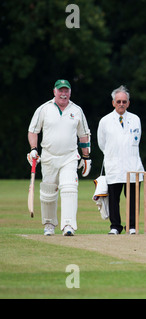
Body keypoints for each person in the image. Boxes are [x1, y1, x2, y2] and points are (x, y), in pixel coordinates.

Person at [27, 79, 92, 236]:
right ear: (54, 92)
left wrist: (86, 157)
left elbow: (83, 136)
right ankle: (49, 224)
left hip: (69, 156)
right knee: (48, 192)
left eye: (66, 91)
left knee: (69, 188)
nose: (63, 94)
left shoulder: (77, 110)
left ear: (70, 92)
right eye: (60, 90)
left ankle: (68, 225)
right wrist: (33, 150)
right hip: (49, 156)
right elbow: (33, 131)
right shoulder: (44, 109)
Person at [97, 85, 145, 235]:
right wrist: (113, 154)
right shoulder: (105, 121)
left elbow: (137, 140)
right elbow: (102, 143)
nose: (121, 104)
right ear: (113, 103)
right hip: (114, 164)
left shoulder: (135, 119)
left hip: (132, 164)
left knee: (132, 198)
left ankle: (132, 226)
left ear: (128, 103)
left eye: (124, 101)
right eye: (118, 101)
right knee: (113, 198)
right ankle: (115, 227)